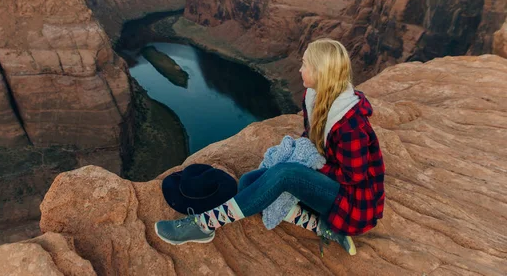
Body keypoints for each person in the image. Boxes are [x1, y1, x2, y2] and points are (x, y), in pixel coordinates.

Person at [155, 38, 385, 256]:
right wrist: (303, 161)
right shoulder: (314, 97)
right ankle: (322, 227)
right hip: (329, 185)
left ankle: (205, 224)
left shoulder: (349, 124)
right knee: (247, 183)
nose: (299, 70)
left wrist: (309, 168)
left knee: (286, 174)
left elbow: (353, 176)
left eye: (304, 64)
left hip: (353, 201)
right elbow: (313, 139)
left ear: (320, 73)